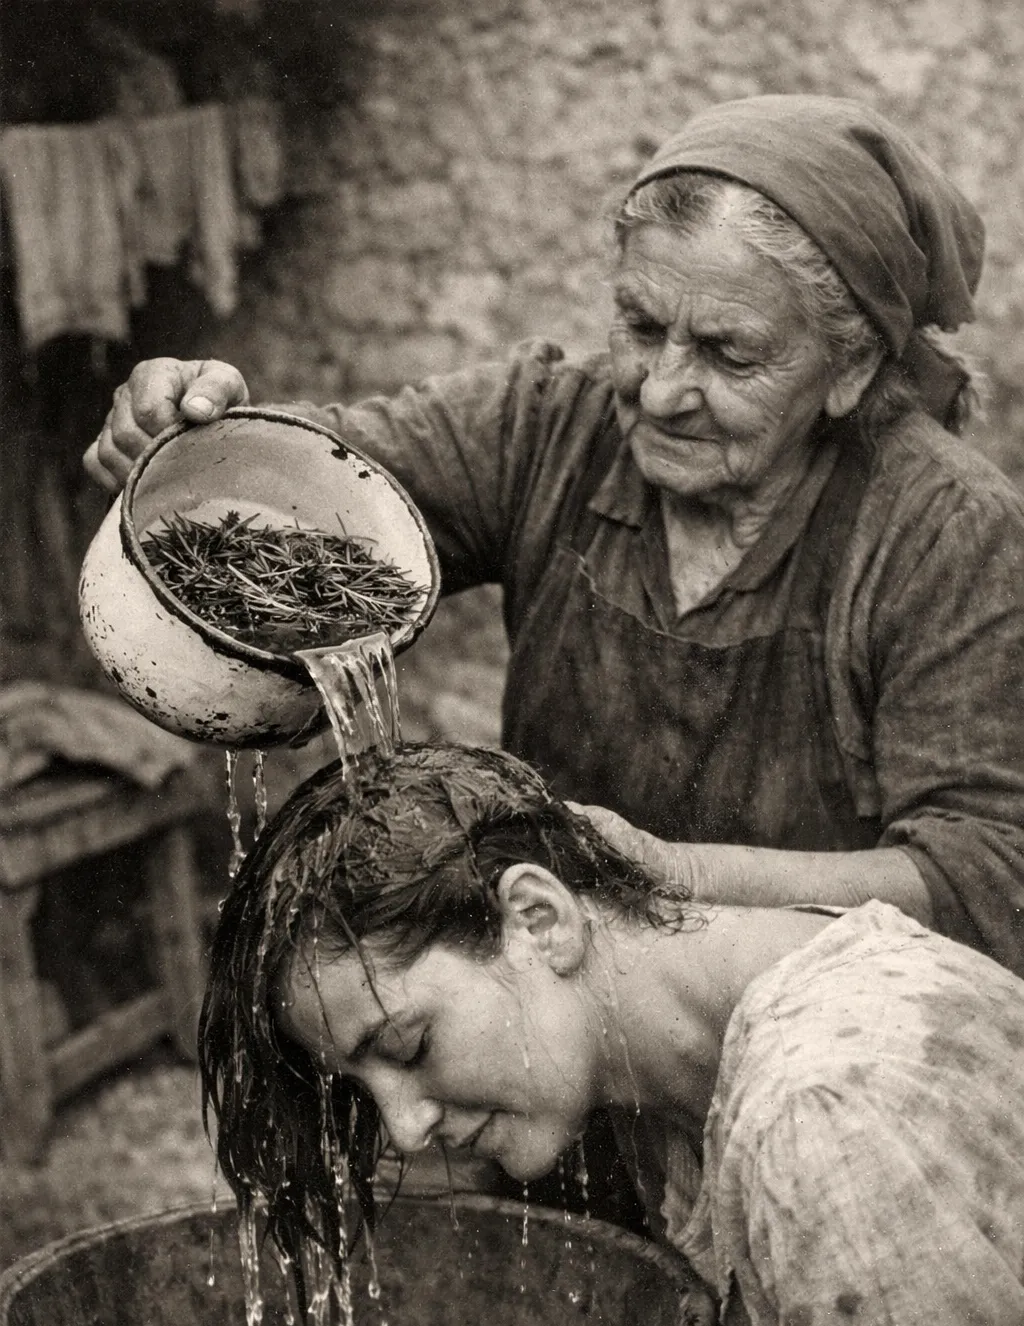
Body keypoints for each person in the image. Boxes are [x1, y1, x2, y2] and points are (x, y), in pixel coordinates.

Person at [84, 93, 1024, 979]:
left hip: (808, 1034)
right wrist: (194, 429)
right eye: (640, 325)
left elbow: (983, 880)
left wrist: (667, 871)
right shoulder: (550, 429)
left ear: (850, 370)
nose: (659, 390)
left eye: (728, 354)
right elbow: (316, 486)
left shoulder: (945, 535)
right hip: (549, 992)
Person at [199, 739, 1024, 1326]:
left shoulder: (827, 1122)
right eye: (365, 1089)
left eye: (410, 1047)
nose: (408, 1130)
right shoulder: (699, 1063)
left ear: (540, 918)